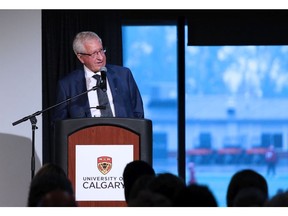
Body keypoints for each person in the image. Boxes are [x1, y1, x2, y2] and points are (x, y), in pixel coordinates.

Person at [52, 31, 144, 123]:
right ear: (80, 57)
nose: (100, 57)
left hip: (123, 135)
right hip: (86, 136)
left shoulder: (123, 75)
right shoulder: (68, 85)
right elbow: (59, 125)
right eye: (94, 54)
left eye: (101, 50)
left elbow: (138, 113)